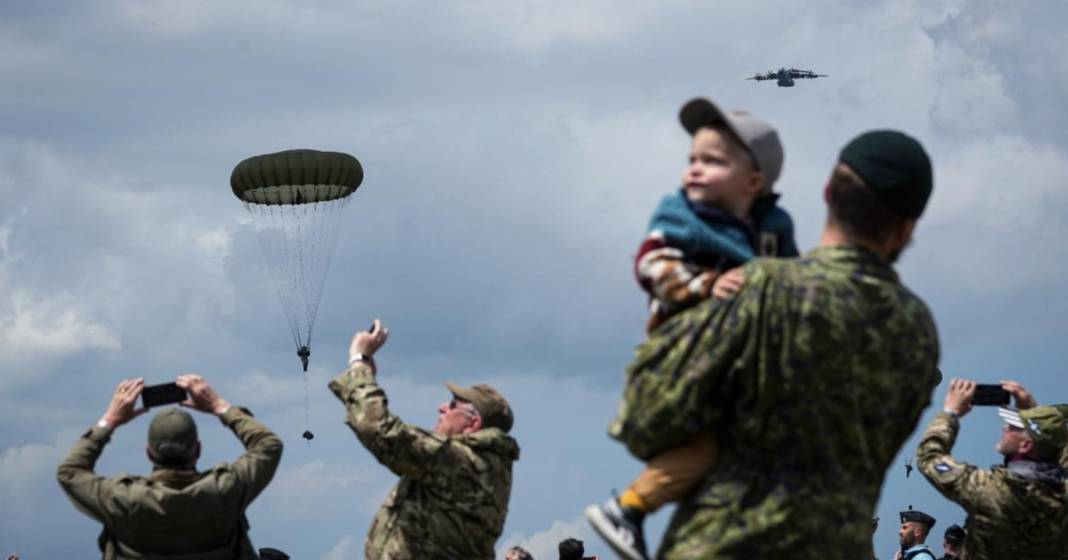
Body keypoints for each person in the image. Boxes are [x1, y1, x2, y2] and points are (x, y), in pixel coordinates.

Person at [609, 129, 940, 558]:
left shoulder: (761, 286)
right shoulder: (917, 330)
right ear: (907, 226)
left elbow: (645, 417)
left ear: (826, 194)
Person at [587, 97, 798, 560]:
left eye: (713, 161)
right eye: (692, 160)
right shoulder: (680, 216)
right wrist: (706, 283)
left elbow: (792, 279)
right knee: (706, 450)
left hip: (738, 371)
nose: (695, 170)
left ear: (753, 182)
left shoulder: (772, 229)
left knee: (721, 455)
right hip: (684, 361)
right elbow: (651, 265)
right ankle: (628, 508)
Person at [329, 319, 520, 559]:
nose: (442, 408)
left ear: (474, 424)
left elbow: (380, 430)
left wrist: (359, 362)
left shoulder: (461, 462)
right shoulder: (488, 467)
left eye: (453, 405)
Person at [56, 375, 284, 559]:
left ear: (148, 452)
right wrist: (219, 406)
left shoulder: (122, 499)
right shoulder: (225, 491)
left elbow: (69, 472)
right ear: (198, 450)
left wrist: (110, 420)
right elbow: (268, 445)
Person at [917, 378, 1068, 558]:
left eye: (1013, 427)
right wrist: (1037, 416)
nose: (1005, 427)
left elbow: (929, 457)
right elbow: (1057, 454)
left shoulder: (989, 490)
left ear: (1026, 446)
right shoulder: (1062, 497)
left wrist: (950, 412)